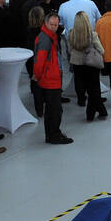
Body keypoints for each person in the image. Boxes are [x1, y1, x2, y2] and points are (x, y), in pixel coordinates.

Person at [33, 14, 72, 144]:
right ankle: (54, 135)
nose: (54, 27)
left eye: (56, 25)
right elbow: (39, 62)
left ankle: (51, 134)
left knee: (51, 109)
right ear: (46, 23)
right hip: (50, 79)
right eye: (52, 25)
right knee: (55, 110)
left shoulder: (49, 36)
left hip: (52, 77)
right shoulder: (46, 39)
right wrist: (38, 76)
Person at [67, 12, 108, 123]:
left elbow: (70, 50)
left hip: (77, 64)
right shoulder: (92, 35)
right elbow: (101, 50)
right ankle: (96, 113)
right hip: (91, 65)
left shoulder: (71, 34)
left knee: (83, 88)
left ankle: (94, 113)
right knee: (94, 90)